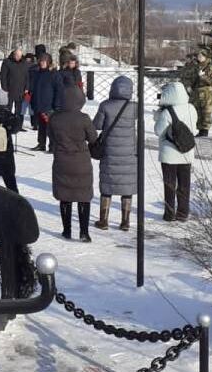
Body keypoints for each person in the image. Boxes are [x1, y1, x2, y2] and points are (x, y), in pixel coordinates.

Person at [49, 85, 99, 241]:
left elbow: (52, 138)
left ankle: (67, 230)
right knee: (83, 196)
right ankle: (84, 232)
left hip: (62, 161)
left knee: (65, 196)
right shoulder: (84, 118)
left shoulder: (55, 118)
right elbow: (93, 139)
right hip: (81, 162)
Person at [92, 75, 137, 231]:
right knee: (127, 187)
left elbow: (96, 125)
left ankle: (103, 220)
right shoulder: (133, 107)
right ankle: (125, 221)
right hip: (129, 152)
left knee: (107, 186)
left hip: (110, 151)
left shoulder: (105, 106)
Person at [154, 81, 199, 222]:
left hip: (169, 154)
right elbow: (194, 128)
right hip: (186, 152)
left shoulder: (167, 112)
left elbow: (158, 131)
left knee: (170, 185)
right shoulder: (191, 108)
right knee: (185, 185)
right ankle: (183, 213)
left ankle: (169, 213)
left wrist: (157, 117)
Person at [29, 53, 57, 151]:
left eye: (44, 61)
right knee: (41, 127)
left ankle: (53, 146)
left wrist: (56, 105)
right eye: (41, 61)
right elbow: (34, 89)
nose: (42, 63)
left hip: (49, 105)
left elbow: (59, 90)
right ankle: (41, 144)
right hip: (39, 104)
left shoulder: (53, 74)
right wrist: (32, 101)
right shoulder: (37, 74)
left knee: (51, 127)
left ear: (48, 62)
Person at [0, 48, 30, 127]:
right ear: (13, 54)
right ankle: (7, 124)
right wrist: (4, 89)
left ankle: (18, 125)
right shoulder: (7, 62)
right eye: (16, 55)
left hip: (21, 91)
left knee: (19, 110)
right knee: (7, 109)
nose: (18, 57)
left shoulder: (25, 63)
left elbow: (27, 77)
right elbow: (3, 76)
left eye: (19, 55)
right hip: (9, 90)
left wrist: (27, 88)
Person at [189, 53, 212, 137]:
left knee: (206, 111)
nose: (199, 57)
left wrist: (203, 76)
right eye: (198, 56)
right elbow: (191, 78)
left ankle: (205, 130)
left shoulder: (210, 67)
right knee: (197, 111)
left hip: (206, 92)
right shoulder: (196, 67)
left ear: (206, 57)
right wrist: (189, 86)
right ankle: (200, 129)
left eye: (201, 56)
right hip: (196, 92)